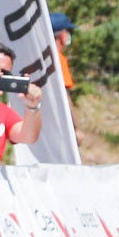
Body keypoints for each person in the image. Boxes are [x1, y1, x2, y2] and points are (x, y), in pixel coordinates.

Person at [50, 11, 84, 145]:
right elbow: (65, 95)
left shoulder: (40, 58)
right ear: (63, 35)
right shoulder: (59, 59)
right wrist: (75, 128)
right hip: (59, 126)